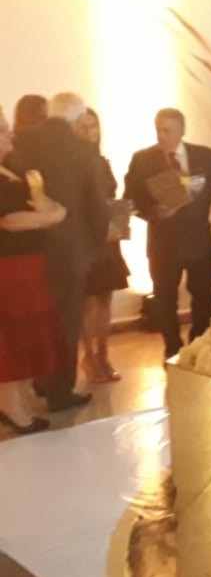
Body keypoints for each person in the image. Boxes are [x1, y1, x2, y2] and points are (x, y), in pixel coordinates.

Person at [10, 92, 107, 411]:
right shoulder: (82, 149)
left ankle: (38, 381)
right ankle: (60, 391)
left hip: (28, 247)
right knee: (65, 322)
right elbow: (97, 207)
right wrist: (92, 246)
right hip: (70, 251)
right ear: (78, 119)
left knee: (35, 320)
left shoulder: (23, 142)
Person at [123, 108, 211, 360]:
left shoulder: (203, 156)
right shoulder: (143, 159)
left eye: (167, 130)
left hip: (198, 238)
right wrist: (152, 212)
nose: (161, 135)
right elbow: (130, 199)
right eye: (158, 129)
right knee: (165, 298)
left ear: (182, 131)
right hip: (163, 241)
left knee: (203, 296)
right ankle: (172, 348)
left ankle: (199, 344)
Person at [0, 110, 70, 434]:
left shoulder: (9, 167)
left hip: (26, 264)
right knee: (12, 338)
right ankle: (12, 408)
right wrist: (52, 218)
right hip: (9, 267)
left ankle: (18, 404)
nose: (9, 135)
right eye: (2, 130)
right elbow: (8, 220)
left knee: (24, 337)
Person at [74, 108, 130, 384]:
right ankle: (89, 357)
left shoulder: (102, 161)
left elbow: (112, 198)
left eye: (93, 125)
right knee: (87, 300)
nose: (89, 131)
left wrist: (121, 223)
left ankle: (103, 353)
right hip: (85, 238)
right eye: (83, 126)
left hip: (107, 237)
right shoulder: (71, 163)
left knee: (105, 297)